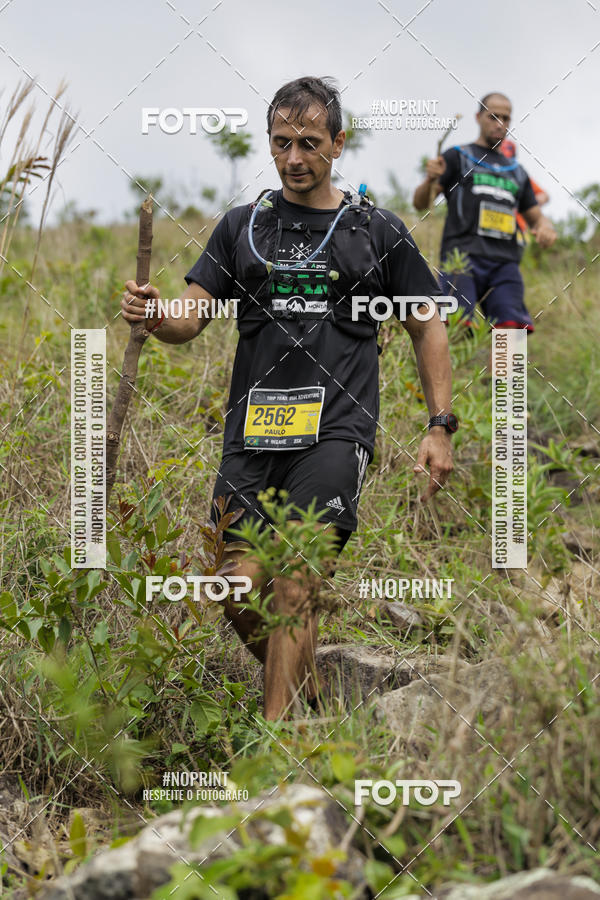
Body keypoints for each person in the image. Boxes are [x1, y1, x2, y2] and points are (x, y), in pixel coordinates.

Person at [121, 76, 457, 721]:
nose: (295, 158)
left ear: (339, 143)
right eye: (282, 143)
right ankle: (308, 702)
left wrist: (440, 424)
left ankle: (279, 757)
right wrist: (153, 312)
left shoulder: (377, 231)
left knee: (294, 580)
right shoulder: (242, 228)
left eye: (309, 142)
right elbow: (190, 319)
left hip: (336, 433)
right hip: (252, 436)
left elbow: (426, 321)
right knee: (237, 587)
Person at [413, 92, 556, 331]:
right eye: (493, 116)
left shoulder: (517, 171)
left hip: (505, 264)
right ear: (478, 117)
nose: (500, 123)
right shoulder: (458, 155)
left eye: (505, 118)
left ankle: (504, 371)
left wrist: (545, 228)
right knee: (454, 329)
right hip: (461, 258)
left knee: (512, 334)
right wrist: (429, 180)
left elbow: (536, 217)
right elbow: (420, 204)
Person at [500, 138, 549, 239]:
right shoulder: (485, 171)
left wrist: (528, 202)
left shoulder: (519, 176)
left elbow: (543, 195)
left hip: (518, 231)